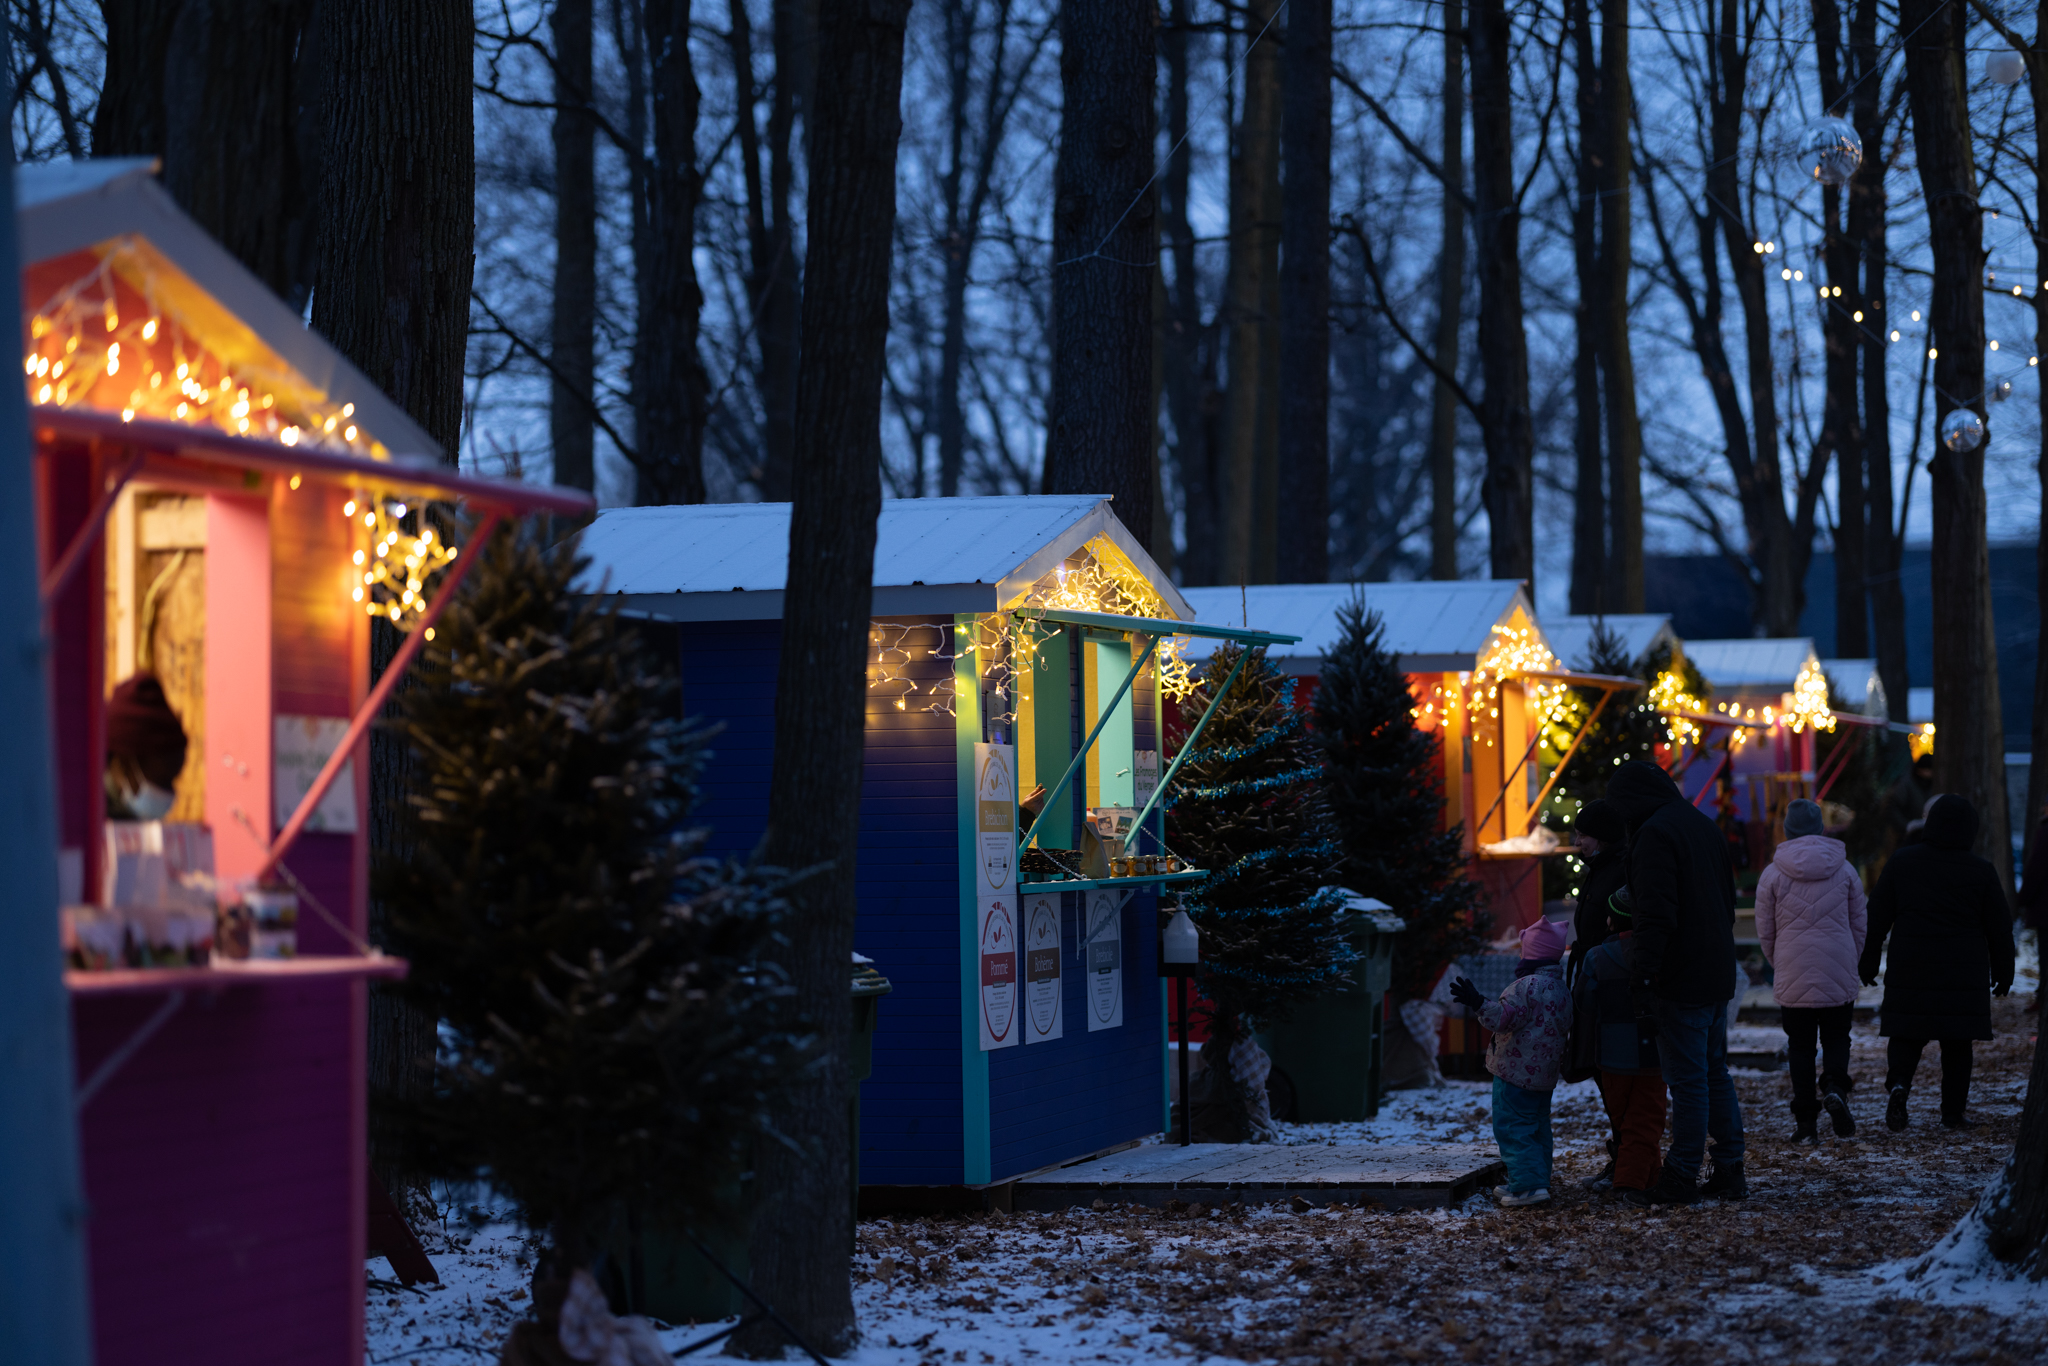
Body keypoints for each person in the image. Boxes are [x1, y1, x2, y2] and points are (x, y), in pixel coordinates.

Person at [1606, 759, 1745, 1205]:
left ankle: (1681, 1174)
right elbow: (1725, 898)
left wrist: (1644, 974)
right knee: (1713, 1073)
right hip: (1715, 968)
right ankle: (1728, 1167)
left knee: (1687, 1080)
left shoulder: (1653, 836)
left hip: (1680, 974)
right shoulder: (1700, 825)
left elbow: (1656, 915)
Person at [1860, 794, 2017, 1131]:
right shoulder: (1981, 871)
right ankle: (1953, 1112)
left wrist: (1869, 959)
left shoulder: (1902, 862)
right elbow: (1999, 927)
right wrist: (2005, 969)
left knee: (1906, 1034)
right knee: (1958, 1045)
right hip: (1963, 972)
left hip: (1911, 967)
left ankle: (1900, 1083)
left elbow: (1876, 915)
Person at [1754, 797, 1867, 1141]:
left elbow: (1765, 928)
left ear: (1787, 831)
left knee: (1800, 1047)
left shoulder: (1772, 874)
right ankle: (1834, 1085)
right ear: (1820, 828)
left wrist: (1780, 961)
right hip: (1838, 963)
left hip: (1792, 965)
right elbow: (1859, 922)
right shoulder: (1845, 869)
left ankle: (1806, 1123)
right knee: (1837, 1037)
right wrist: (1851, 957)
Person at [1450, 918, 1572, 1209]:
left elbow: (1503, 1019)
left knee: (1513, 1127)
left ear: (1529, 955)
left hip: (1514, 1072)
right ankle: (1536, 1179)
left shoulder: (1525, 986)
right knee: (1537, 1126)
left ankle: (1527, 1186)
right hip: (1544, 1075)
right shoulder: (1561, 988)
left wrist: (1479, 1002)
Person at [1574, 886, 1665, 1196]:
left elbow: (1583, 1002)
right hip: (1655, 1051)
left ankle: (1629, 1182)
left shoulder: (1596, 957)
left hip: (1611, 1054)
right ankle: (1643, 1179)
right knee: (1645, 1118)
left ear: (1611, 921)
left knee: (1627, 1120)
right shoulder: (1659, 955)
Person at [1569, 798, 1629, 977]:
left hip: (1607, 973)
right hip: (1592, 969)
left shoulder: (1621, 870)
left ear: (1603, 838)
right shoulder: (1598, 866)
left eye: (1583, 835)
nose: (1577, 843)